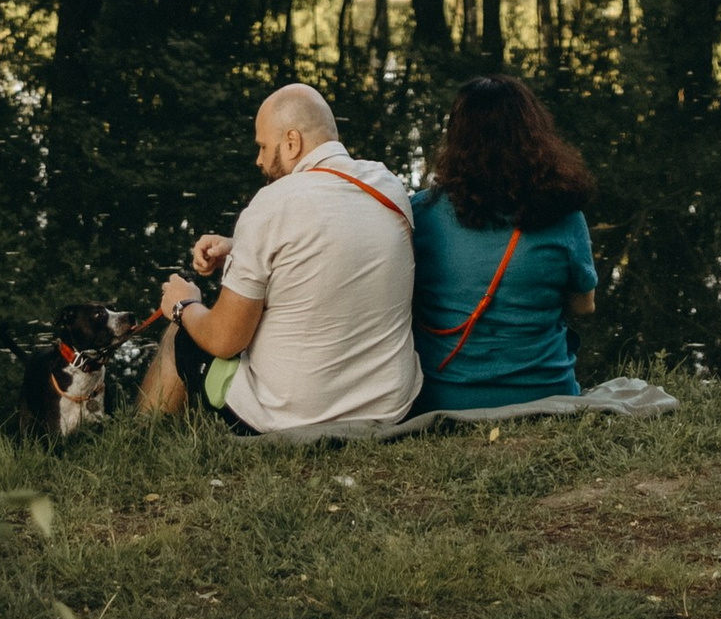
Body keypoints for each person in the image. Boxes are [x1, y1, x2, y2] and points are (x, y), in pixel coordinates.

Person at [142, 81, 419, 436]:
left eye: (262, 146)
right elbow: (337, 241)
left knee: (180, 334)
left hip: (291, 417)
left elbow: (225, 339)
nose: (258, 159)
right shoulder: (388, 186)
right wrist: (237, 244)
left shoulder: (272, 204)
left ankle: (141, 440)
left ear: (292, 142)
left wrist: (183, 304)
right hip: (388, 406)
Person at [410, 74, 597, 413]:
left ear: (456, 138)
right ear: (534, 134)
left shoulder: (421, 213)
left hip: (443, 397)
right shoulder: (563, 214)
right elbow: (584, 305)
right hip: (545, 395)